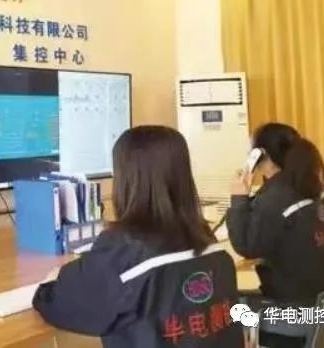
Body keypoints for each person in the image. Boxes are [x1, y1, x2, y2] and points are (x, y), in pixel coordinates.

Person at [32, 126, 243, 347]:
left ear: (126, 180)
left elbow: (61, 305)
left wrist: (51, 283)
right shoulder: (208, 241)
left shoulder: (124, 249)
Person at [227, 123, 324, 304]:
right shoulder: (317, 187)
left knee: (232, 306)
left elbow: (246, 246)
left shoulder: (275, 197)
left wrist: (239, 198)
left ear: (260, 155)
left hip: (299, 310)